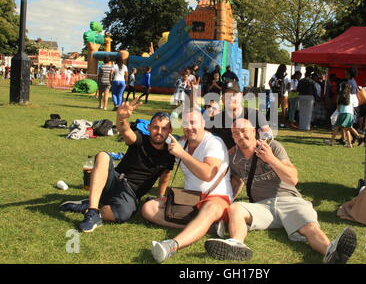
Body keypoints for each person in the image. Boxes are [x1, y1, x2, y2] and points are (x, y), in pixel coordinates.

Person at [204, 118, 357, 263]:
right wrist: (225, 207)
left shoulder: (273, 147)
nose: (240, 136)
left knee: (310, 227)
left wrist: (271, 159)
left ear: (253, 131)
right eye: (235, 133)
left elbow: (293, 179)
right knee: (236, 208)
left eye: (243, 131)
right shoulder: (233, 157)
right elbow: (236, 182)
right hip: (262, 207)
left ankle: (330, 251)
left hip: (289, 201)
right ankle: (236, 244)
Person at [59, 102, 176, 232]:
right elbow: (125, 131)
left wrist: (160, 197)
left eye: (164, 128)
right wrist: (121, 118)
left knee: (122, 214)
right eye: (155, 127)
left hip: (130, 194)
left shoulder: (170, 154)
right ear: (148, 128)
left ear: (170, 131)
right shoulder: (140, 139)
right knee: (103, 156)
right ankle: (92, 212)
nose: (159, 132)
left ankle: (89, 206)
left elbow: (165, 177)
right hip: (114, 181)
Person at [141, 110, 233, 263]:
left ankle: (171, 245)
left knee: (209, 209)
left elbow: (208, 174)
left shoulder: (214, 143)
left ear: (203, 124)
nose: (190, 127)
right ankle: (209, 227)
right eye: (185, 124)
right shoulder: (181, 143)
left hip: (216, 198)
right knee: (148, 209)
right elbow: (164, 165)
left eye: (193, 123)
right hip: (190, 198)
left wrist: (182, 154)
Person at [205, 80, 271, 150]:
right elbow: (202, 137)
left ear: (241, 96)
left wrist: (251, 149)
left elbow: (268, 136)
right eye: (227, 95)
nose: (231, 98)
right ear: (222, 99)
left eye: (234, 95)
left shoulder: (255, 114)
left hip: (252, 157)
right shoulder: (217, 119)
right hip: (227, 159)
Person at [328, 83, 362, 148]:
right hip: (350, 114)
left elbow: (338, 108)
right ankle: (350, 143)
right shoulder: (352, 96)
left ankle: (331, 141)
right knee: (347, 128)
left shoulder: (340, 96)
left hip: (343, 113)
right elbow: (355, 105)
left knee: (337, 127)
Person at [269, 64, 290, 129]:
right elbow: (289, 85)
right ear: (285, 69)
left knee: (274, 109)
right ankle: (282, 124)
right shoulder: (286, 76)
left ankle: (273, 123)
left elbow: (269, 82)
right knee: (284, 110)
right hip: (284, 94)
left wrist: (273, 89)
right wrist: (285, 88)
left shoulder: (275, 75)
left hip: (275, 94)